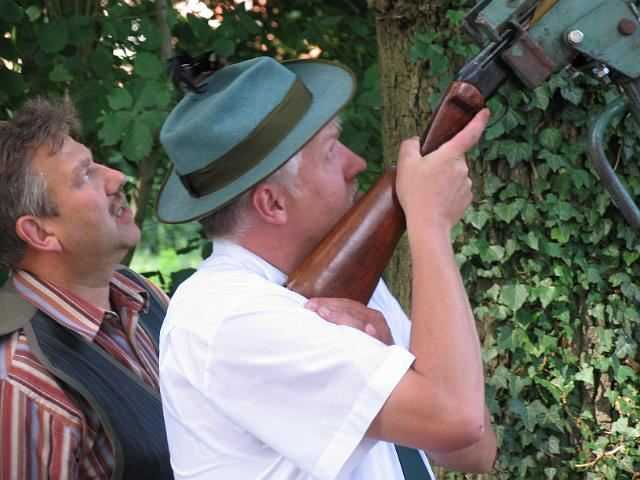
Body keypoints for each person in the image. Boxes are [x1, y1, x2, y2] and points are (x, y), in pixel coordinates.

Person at [157, 56, 497, 479]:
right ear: (272, 203)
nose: (357, 163)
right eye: (331, 150)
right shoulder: (225, 316)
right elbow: (457, 419)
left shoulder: (348, 278)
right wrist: (429, 223)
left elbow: (474, 451)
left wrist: (397, 359)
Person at [0, 97, 173, 479]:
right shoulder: (25, 381)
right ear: (40, 233)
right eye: (84, 176)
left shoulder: (137, 291)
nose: (116, 178)